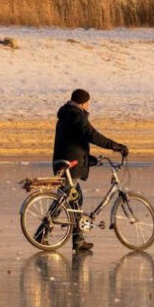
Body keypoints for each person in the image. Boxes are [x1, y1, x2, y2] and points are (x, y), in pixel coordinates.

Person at [51, 89, 128, 251]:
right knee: (68, 199)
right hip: (70, 164)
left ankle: (77, 240)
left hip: (62, 161)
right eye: (87, 102)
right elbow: (91, 135)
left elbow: (74, 140)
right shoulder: (76, 116)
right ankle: (44, 233)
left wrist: (88, 158)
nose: (88, 106)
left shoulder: (66, 115)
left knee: (73, 199)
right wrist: (115, 146)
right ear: (82, 102)